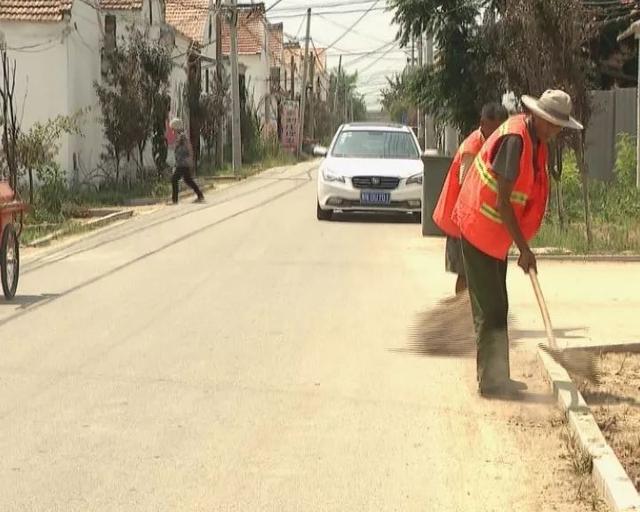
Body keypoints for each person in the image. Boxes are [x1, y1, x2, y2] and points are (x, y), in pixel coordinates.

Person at [452, 90, 583, 397]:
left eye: (558, 126)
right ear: (536, 115)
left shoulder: (536, 142)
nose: (553, 130)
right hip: (478, 228)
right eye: (549, 123)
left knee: (499, 305)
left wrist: (521, 246)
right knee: (491, 307)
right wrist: (524, 249)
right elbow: (502, 202)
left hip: (496, 237)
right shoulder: (515, 140)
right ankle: (491, 382)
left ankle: (498, 376)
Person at [433, 102, 509, 294]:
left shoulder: (499, 144)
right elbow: (466, 188)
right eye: (492, 129)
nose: (496, 134)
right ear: (482, 123)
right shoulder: (472, 147)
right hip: (462, 219)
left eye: (500, 129)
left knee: (481, 274)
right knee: (465, 272)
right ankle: (462, 315)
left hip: (479, 221)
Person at [170, 118, 205, 204]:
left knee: (174, 179)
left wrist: (190, 159)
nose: (172, 131)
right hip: (181, 162)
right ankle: (200, 195)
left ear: (176, 127)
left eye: (173, 128)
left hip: (183, 163)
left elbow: (189, 147)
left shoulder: (182, 136)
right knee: (188, 180)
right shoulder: (180, 136)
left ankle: (174, 200)